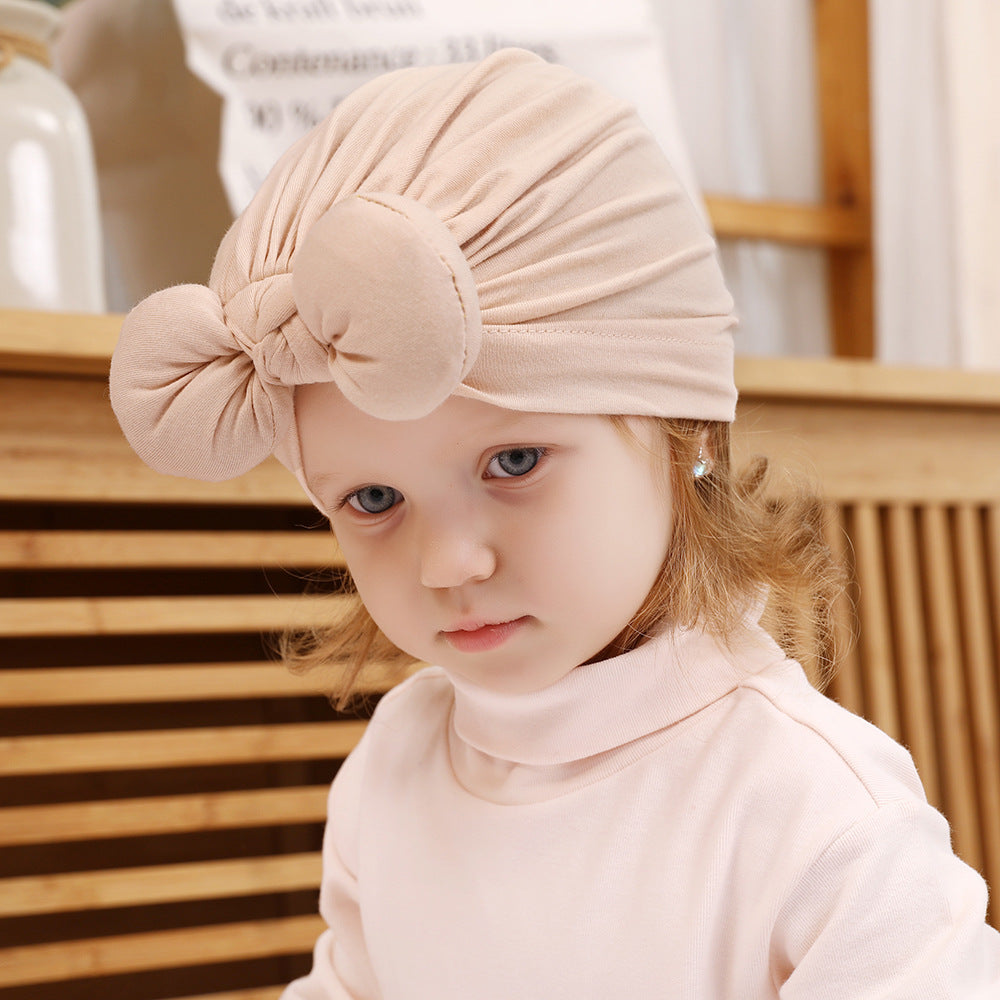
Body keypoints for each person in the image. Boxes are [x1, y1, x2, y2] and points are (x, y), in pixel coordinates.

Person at [109, 48, 1000, 999]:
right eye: (373, 501)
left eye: (515, 462)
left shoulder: (813, 813)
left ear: (681, 432)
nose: (448, 561)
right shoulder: (393, 768)